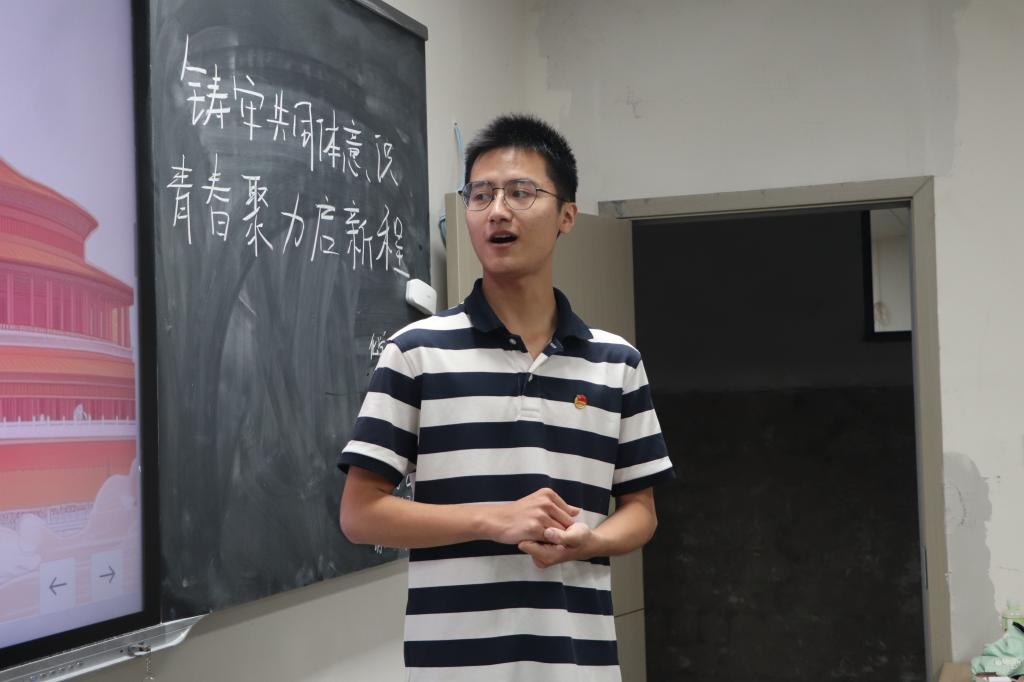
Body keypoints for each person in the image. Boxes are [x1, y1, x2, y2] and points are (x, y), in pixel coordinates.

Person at [338, 114, 674, 681]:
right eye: (481, 195)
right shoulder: (416, 352)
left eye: (521, 192)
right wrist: (494, 520)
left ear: (567, 215)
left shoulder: (617, 363)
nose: (497, 211)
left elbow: (641, 512)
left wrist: (588, 541)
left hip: (580, 666)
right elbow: (359, 514)